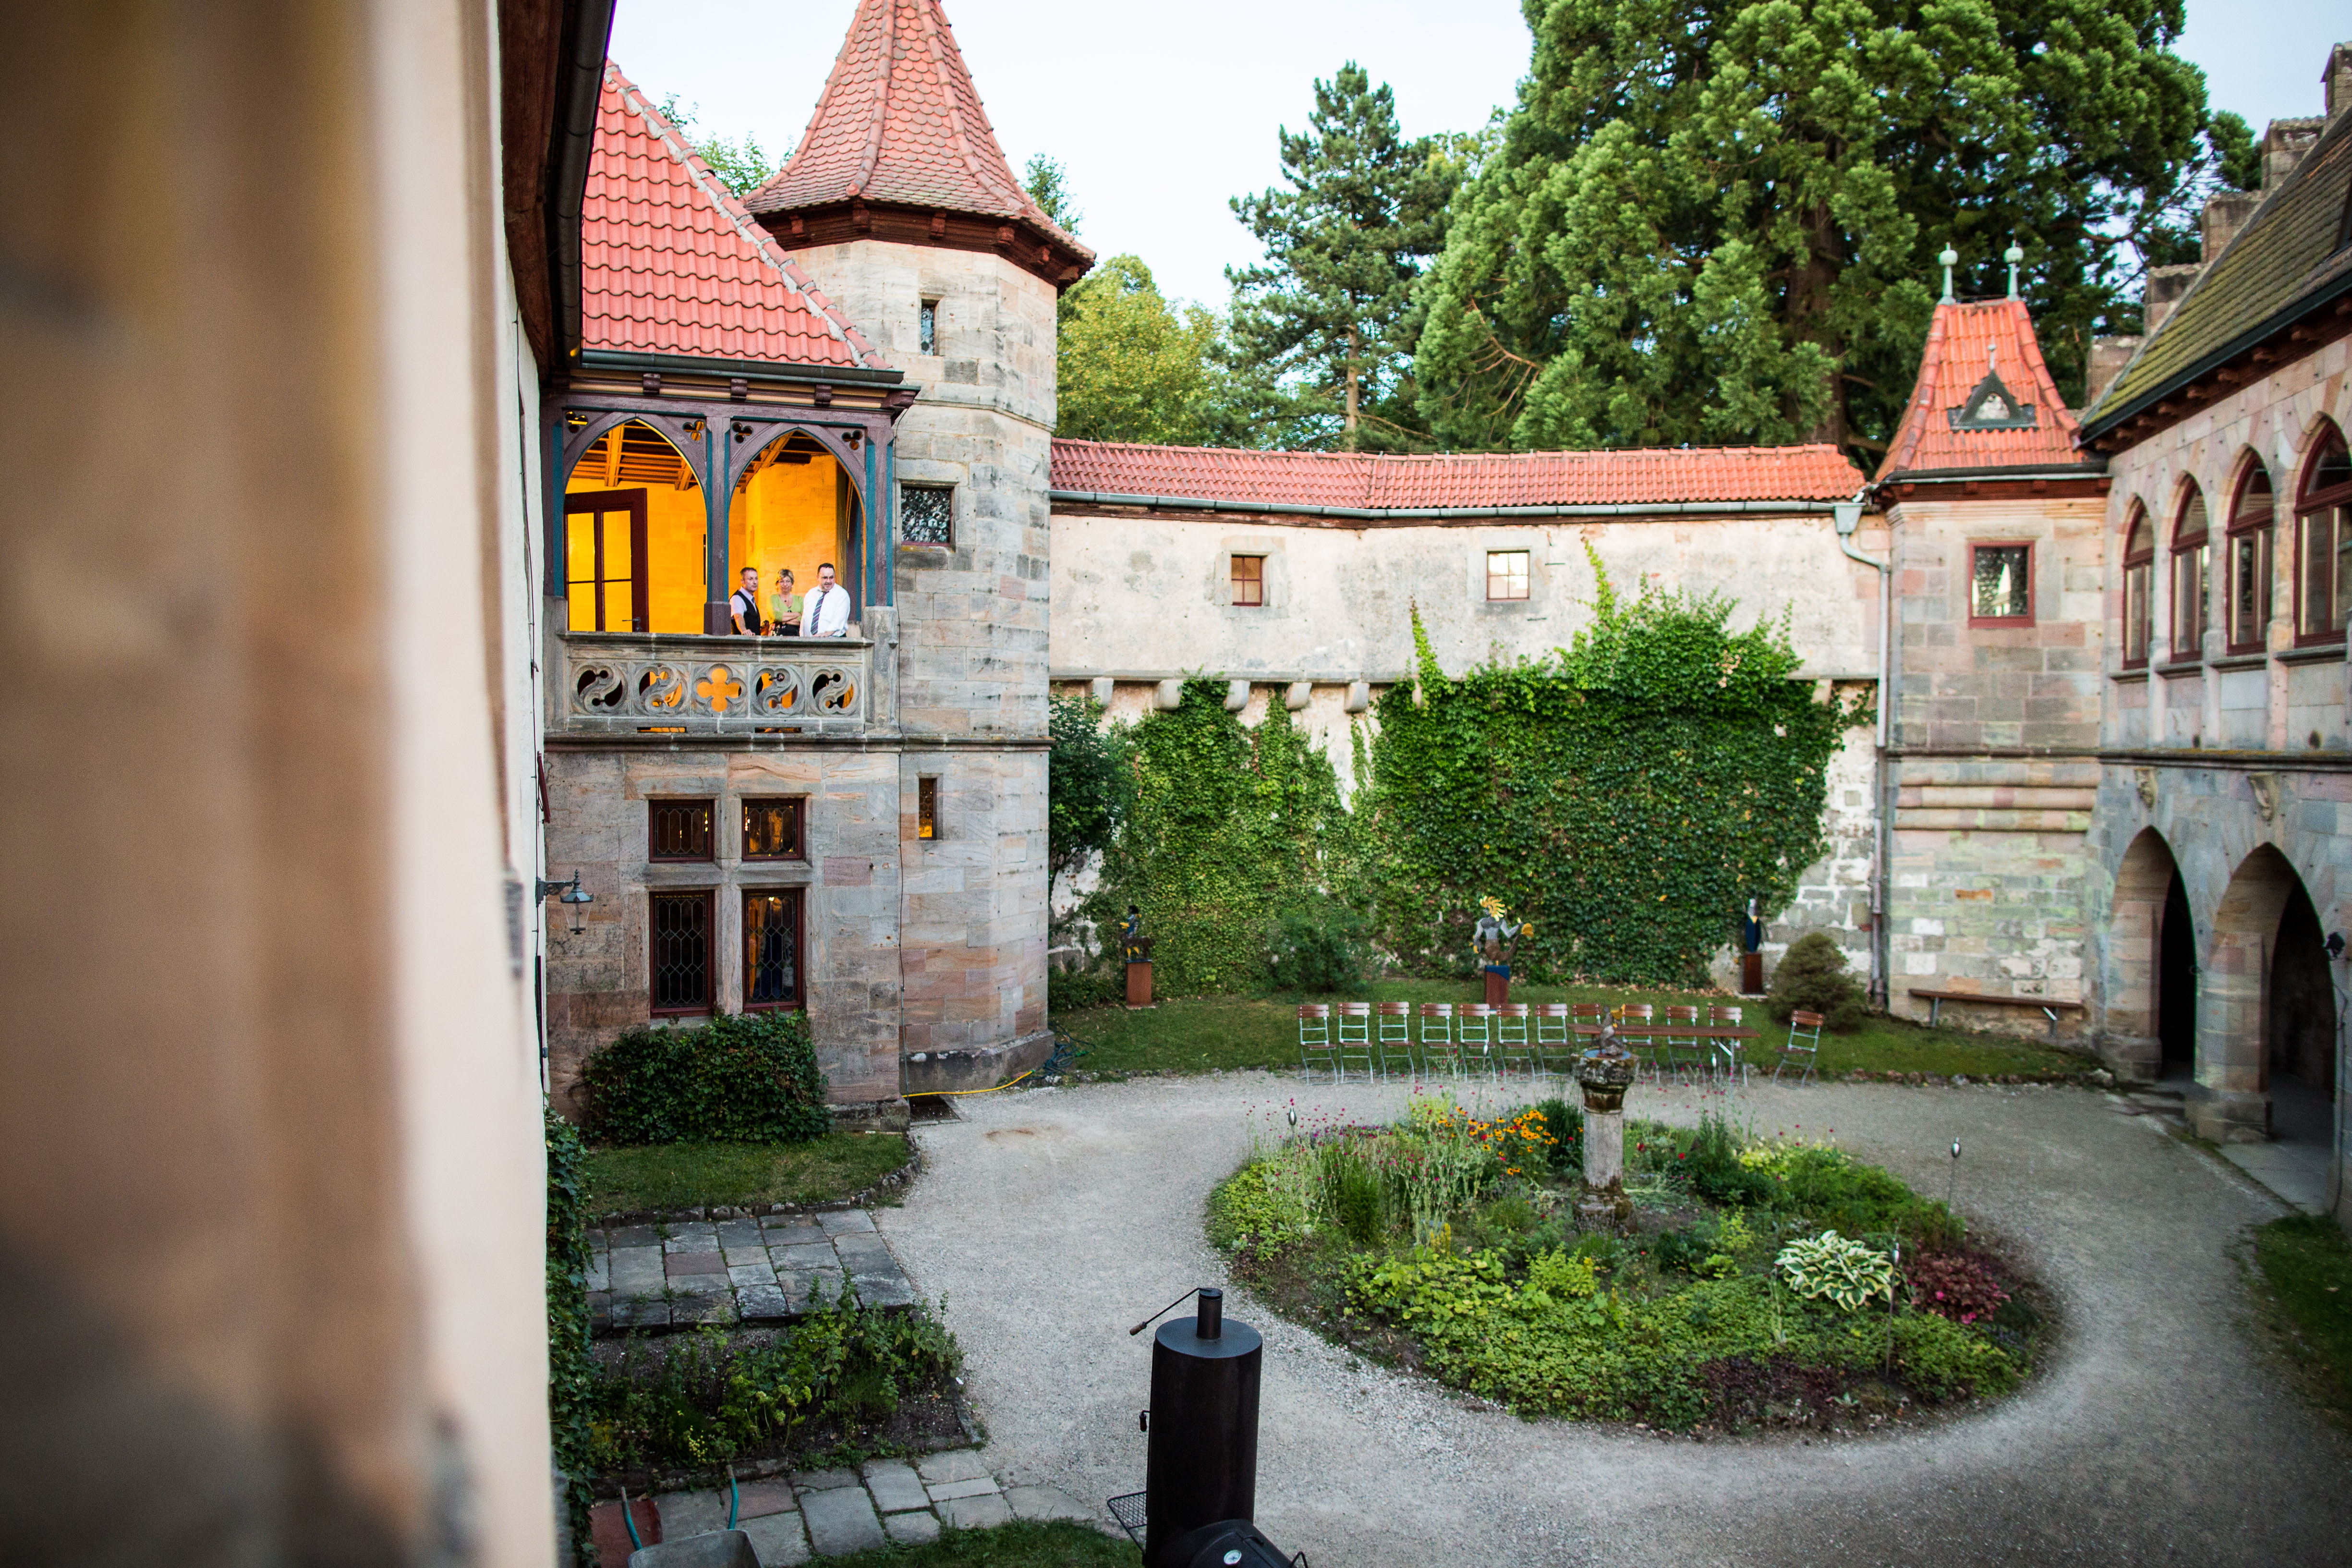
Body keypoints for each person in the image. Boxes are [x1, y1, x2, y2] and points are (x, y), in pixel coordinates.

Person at [805, 561, 852, 637]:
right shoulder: (810, 594)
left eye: (831, 578)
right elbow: (805, 619)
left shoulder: (842, 595)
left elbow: (839, 621)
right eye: (825, 578)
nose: (828, 581)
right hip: (811, 643)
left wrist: (825, 635)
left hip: (833, 642)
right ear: (818, 578)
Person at [728, 566, 765, 635]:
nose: (755, 582)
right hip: (741, 644)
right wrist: (744, 630)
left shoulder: (751, 599)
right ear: (742, 581)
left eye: (756, 579)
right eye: (750, 579)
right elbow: (738, 617)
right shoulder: (737, 598)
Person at [768, 568, 800, 637]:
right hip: (776, 636)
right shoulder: (773, 598)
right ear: (777, 584)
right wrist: (797, 614)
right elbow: (777, 616)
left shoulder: (800, 599)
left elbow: (803, 619)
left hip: (795, 637)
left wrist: (783, 620)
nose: (785, 584)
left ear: (792, 583)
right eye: (782, 581)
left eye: (788, 581)